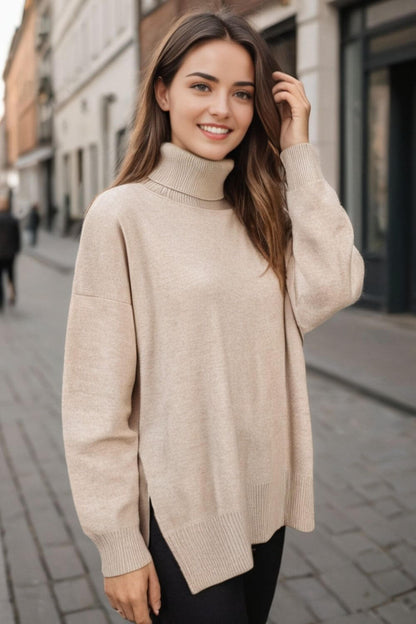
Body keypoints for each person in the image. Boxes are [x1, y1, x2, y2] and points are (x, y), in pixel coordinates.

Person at [61, 9, 365, 624]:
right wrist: (119, 545)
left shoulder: (257, 209)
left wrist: (298, 152)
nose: (222, 108)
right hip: (181, 519)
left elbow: (334, 284)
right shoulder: (121, 215)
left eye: (243, 93)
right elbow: (95, 402)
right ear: (164, 91)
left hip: (261, 506)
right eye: (202, 85)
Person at [0, 200, 21, 310]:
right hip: (10, 253)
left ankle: (1, 301)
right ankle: (12, 293)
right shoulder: (13, 219)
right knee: (11, 275)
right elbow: (17, 237)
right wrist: (17, 250)